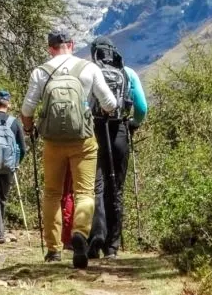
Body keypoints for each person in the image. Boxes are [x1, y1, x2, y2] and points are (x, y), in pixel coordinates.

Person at [21, 30, 117, 269]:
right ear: (72, 45)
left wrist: (28, 127)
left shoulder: (40, 72)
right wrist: (103, 112)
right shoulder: (88, 68)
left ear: (49, 48)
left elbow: (27, 109)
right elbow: (109, 103)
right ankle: (80, 234)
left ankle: (53, 250)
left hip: (53, 141)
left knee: (52, 193)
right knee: (84, 192)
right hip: (83, 139)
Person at [87, 36, 148, 260]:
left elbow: (84, 104)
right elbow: (141, 107)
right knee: (117, 187)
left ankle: (95, 239)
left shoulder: (90, 71)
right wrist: (133, 124)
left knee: (96, 186)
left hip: (95, 130)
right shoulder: (128, 73)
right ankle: (112, 247)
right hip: (120, 130)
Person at [0, 90, 27, 244]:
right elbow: (22, 148)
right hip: (9, 167)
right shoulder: (14, 122)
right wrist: (16, 163)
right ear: (8, 103)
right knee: (2, 198)